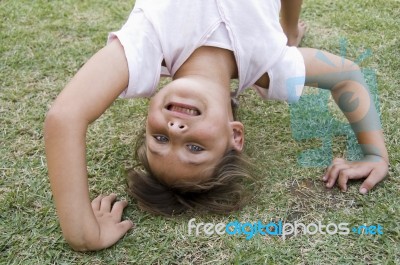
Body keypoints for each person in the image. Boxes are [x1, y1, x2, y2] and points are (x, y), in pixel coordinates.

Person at [44, 0, 388, 251]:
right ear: (235, 134)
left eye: (159, 138)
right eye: (195, 148)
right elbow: (347, 76)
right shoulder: (271, 61)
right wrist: (374, 154)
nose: (176, 131)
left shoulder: (145, 46)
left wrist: (83, 235)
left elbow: (65, 118)